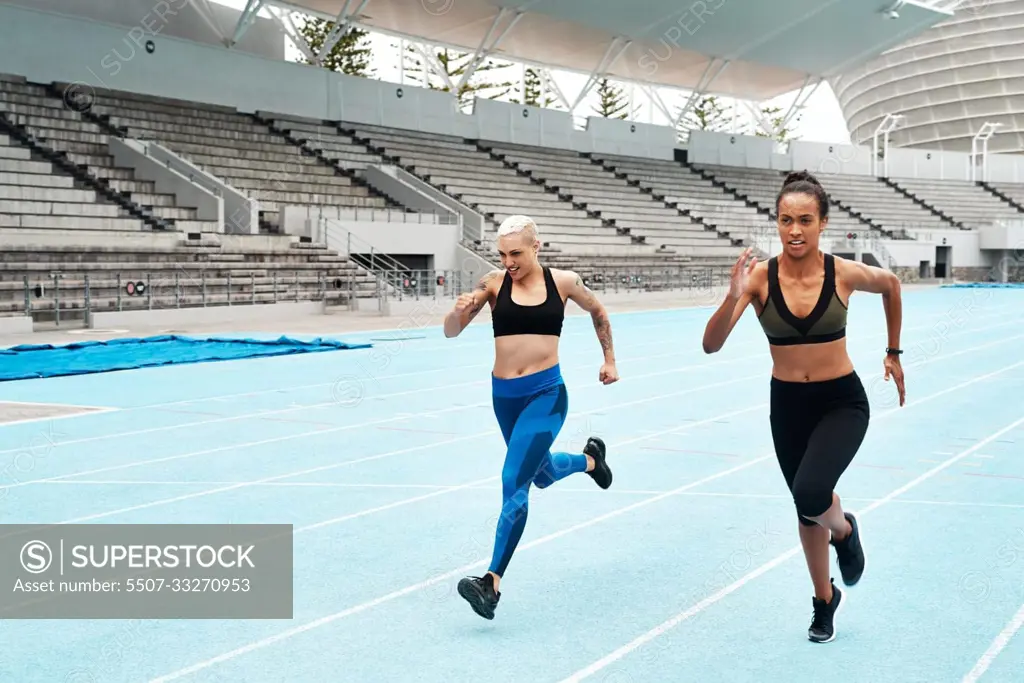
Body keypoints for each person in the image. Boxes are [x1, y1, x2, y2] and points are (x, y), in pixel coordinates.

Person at [701, 170, 906, 644]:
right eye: (785, 220)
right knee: (804, 506)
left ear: (822, 223)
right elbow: (711, 345)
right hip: (788, 405)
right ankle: (824, 600)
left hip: (841, 401)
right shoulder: (757, 279)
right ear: (776, 223)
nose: (794, 230)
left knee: (813, 493)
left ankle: (845, 531)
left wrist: (893, 353)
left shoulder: (843, 273)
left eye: (805, 220)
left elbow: (893, 285)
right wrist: (731, 298)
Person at [443, 214, 620, 620]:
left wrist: (609, 359)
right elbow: (452, 331)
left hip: (546, 396)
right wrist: (457, 313)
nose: (509, 262)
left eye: (516, 253)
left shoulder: (564, 283)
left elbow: (599, 312)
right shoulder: (492, 284)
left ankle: (491, 583)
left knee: (514, 480)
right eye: (503, 254)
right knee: (540, 474)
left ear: (536, 247)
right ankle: (592, 460)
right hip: (504, 398)